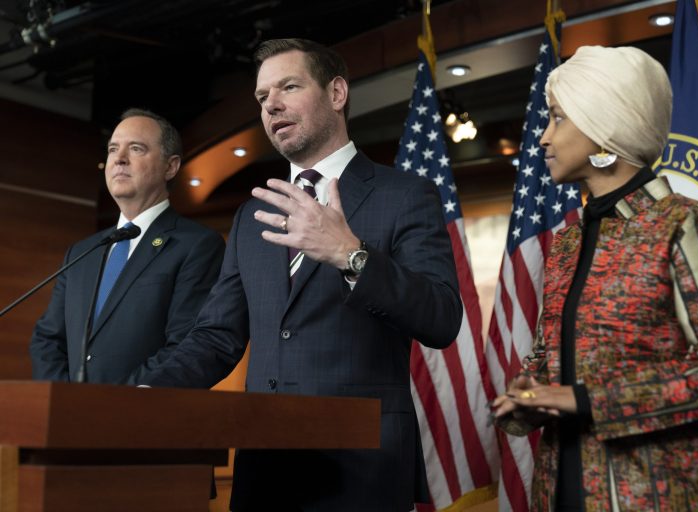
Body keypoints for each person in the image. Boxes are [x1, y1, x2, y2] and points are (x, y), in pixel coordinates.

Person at [141, 38, 462, 512]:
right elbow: (216, 336)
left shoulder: (406, 194)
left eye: (288, 86)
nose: (271, 104)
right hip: (264, 469)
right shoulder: (253, 216)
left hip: (362, 465)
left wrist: (351, 255)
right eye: (262, 97)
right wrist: (149, 391)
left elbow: (441, 318)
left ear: (336, 94)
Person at [491, 45, 698, 511]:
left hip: (658, 495)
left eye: (557, 119)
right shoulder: (569, 241)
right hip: (559, 488)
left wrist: (591, 401)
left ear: (604, 131)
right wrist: (529, 394)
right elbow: (549, 356)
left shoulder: (685, 223)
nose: (542, 139)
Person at [29, 108, 225, 386]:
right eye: (112, 149)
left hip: (140, 414)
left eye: (136, 149)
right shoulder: (82, 252)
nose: (119, 159)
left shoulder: (197, 246)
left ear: (170, 167)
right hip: (69, 417)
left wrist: (120, 400)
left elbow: (187, 343)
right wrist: (67, 401)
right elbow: (48, 340)